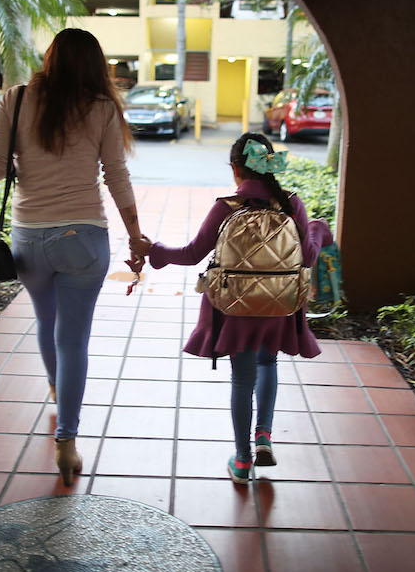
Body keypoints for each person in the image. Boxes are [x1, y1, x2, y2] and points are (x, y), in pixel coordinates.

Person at [0, 28, 145, 486]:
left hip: (28, 237)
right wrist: (135, 235)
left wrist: (24, 156)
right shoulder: (101, 108)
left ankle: (57, 391)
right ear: (96, 66)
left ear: (49, 58)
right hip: (83, 236)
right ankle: (67, 443)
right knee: (73, 340)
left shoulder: (14, 98)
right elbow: (116, 174)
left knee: (45, 322)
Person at [131, 133, 333, 484]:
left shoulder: (226, 207)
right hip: (280, 305)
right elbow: (309, 256)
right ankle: (264, 436)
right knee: (268, 362)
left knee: (242, 379)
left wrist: (155, 251)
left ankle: (241, 461)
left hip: (235, 306)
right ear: (270, 165)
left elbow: (192, 253)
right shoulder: (290, 204)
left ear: (236, 169)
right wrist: (317, 230)